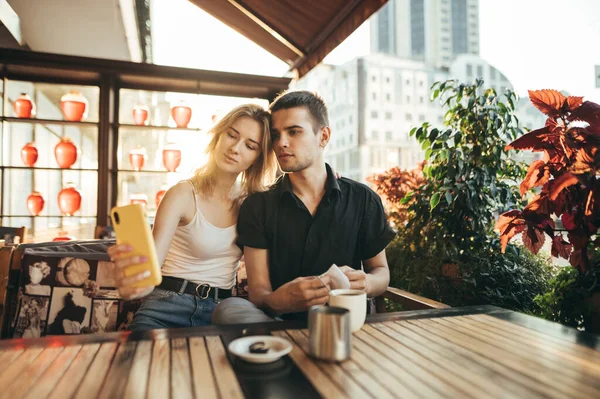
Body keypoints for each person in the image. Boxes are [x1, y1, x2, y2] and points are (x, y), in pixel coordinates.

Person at [212, 90, 396, 324]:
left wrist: (367, 283)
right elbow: (259, 294)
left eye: (294, 131)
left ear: (324, 136)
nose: (282, 143)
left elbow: (381, 272)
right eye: (276, 135)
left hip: (343, 323)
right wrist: (281, 300)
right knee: (228, 309)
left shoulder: (363, 199)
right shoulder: (258, 206)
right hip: (278, 326)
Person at [107, 104, 277, 331]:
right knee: (136, 365)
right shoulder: (182, 194)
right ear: (219, 136)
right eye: (231, 135)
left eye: (249, 145)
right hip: (166, 306)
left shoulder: (253, 204)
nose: (235, 148)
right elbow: (152, 268)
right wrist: (133, 284)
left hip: (220, 313)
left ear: (258, 157)